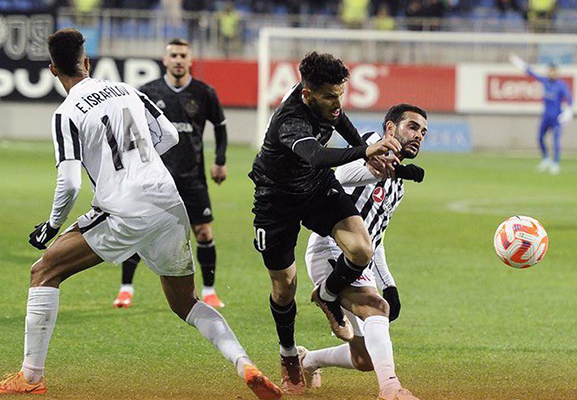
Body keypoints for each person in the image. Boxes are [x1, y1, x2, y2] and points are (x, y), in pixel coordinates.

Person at [0, 28, 282, 400]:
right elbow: (169, 136)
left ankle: (31, 376)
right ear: (87, 63)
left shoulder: (65, 113)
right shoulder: (126, 90)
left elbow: (69, 184)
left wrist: (52, 226)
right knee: (186, 302)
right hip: (169, 204)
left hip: (124, 209)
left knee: (44, 272)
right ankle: (244, 363)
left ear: (53, 69)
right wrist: (138, 164)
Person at [249, 51, 401, 394]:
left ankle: (329, 294)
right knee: (284, 287)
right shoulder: (290, 121)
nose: (338, 103)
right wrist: (364, 151)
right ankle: (289, 353)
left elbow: (340, 119)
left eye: (340, 94)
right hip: (276, 201)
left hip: (316, 187)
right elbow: (317, 156)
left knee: (361, 249)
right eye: (331, 96)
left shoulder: (325, 101)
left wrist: (365, 149)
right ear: (307, 94)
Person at [300, 104, 427, 400]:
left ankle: (307, 361)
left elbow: (375, 238)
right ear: (391, 128)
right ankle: (391, 389)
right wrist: (380, 170)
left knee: (364, 359)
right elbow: (339, 175)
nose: (419, 135)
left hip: (362, 260)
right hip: (331, 248)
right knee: (376, 307)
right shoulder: (369, 143)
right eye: (412, 127)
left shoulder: (398, 188)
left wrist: (389, 284)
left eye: (423, 131)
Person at [113, 38, 228, 309]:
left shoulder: (204, 92)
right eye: (173, 55)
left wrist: (220, 161)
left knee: (203, 232)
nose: (178, 60)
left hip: (193, 177)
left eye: (182, 55)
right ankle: (125, 289)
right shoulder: (148, 91)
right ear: (165, 60)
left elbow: (220, 125)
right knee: (139, 229)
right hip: (155, 177)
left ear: (190, 61)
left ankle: (209, 291)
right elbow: (131, 129)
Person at [510, 54, 573, 174]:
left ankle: (556, 163)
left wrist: (569, 110)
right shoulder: (545, 81)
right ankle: (545, 159)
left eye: (553, 70)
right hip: (546, 116)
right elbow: (532, 74)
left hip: (556, 118)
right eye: (550, 70)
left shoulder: (561, 85)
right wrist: (520, 64)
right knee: (540, 137)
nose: (551, 72)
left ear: (557, 72)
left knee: (555, 140)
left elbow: (569, 98)